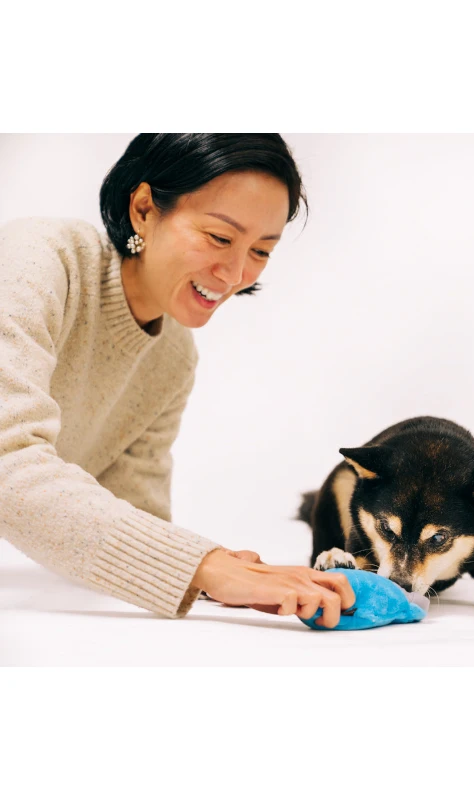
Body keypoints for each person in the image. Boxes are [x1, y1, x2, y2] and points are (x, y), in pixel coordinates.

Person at [0, 133, 355, 628]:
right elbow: (6, 464)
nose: (235, 273)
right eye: (220, 237)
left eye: (261, 250)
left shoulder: (171, 357)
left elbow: (130, 516)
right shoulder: (34, 262)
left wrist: (223, 577)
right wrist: (203, 566)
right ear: (144, 208)